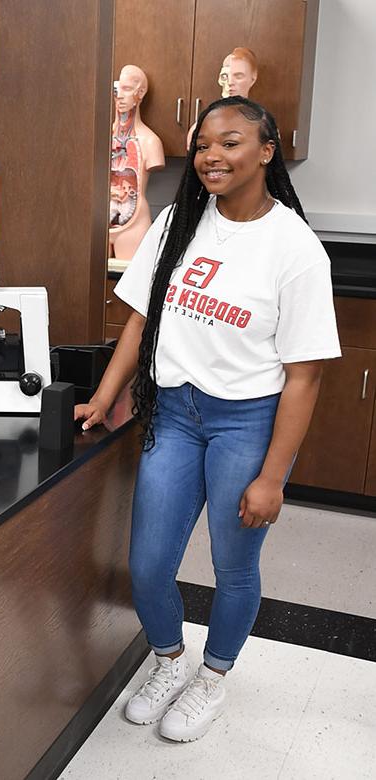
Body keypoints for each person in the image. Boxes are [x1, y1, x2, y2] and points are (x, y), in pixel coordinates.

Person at [75, 97, 340, 742]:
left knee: (234, 565)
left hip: (245, 422)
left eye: (230, 144)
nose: (211, 158)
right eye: (202, 147)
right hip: (175, 411)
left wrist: (273, 477)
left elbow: (305, 375)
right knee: (147, 562)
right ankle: (169, 659)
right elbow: (141, 320)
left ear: (266, 152)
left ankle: (214, 676)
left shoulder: (295, 249)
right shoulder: (179, 222)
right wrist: (106, 395)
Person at [109, 65, 164, 261]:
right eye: (117, 90)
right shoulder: (100, 139)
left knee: (130, 286)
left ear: (140, 93)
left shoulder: (150, 141)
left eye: (127, 89)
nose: (120, 96)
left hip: (134, 224)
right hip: (100, 224)